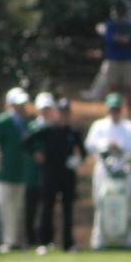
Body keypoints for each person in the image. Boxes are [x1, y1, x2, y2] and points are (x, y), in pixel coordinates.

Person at [24, 94, 86, 253]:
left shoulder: (73, 132)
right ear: (57, 113)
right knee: (47, 207)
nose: (64, 115)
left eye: (66, 112)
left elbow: (83, 153)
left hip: (67, 174)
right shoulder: (48, 130)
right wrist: (36, 153)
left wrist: (76, 160)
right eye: (61, 112)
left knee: (67, 209)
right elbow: (26, 141)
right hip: (49, 173)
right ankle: (44, 242)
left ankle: (68, 243)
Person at [85, 93, 131, 249]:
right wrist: (105, 145)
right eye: (112, 109)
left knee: (126, 203)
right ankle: (99, 241)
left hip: (124, 170)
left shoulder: (130, 127)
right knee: (101, 203)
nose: (114, 112)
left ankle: (128, 241)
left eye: (117, 109)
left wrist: (120, 148)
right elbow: (90, 145)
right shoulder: (99, 126)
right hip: (103, 171)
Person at [0, 87, 31, 253]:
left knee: (19, 208)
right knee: (6, 208)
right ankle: (7, 241)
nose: (22, 107)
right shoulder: (3, 121)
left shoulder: (26, 123)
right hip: (5, 172)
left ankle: (18, 240)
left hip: (21, 172)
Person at [101, 9, 131, 118]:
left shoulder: (130, 26)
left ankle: (130, 115)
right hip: (113, 60)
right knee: (112, 87)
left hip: (127, 60)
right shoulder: (110, 25)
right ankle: (110, 113)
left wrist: (126, 40)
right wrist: (120, 39)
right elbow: (108, 39)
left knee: (129, 88)